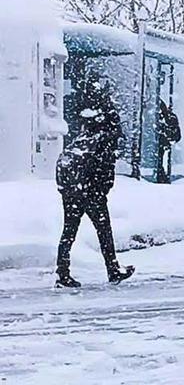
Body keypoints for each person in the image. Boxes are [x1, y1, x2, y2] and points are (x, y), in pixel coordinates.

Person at [55, 73, 135, 288]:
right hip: (91, 192)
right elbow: (102, 168)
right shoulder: (104, 137)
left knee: (69, 230)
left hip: (73, 189)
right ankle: (113, 269)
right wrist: (101, 188)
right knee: (104, 230)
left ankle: (63, 273)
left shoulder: (85, 134)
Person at [154, 100, 182, 184]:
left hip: (161, 145)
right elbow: (177, 136)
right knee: (160, 160)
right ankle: (162, 175)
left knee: (159, 160)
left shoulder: (167, 117)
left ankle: (161, 175)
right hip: (162, 145)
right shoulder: (170, 117)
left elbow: (177, 136)